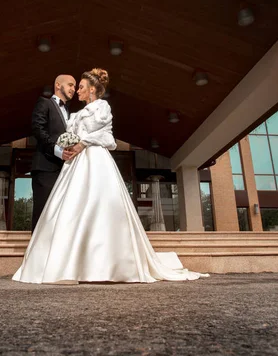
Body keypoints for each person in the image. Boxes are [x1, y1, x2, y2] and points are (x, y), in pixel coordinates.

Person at [13, 68, 208, 284]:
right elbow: (57, 134)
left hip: (96, 160)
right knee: (71, 210)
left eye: (81, 87)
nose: (77, 90)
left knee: (100, 206)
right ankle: (67, 262)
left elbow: (108, 137)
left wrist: (83, 143)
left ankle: (108, 263)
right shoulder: (74, 115)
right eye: (75, 86)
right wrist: (66, 147)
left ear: (93, 89)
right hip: (74, 165)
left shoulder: (103, 107)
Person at [30, 74, 76, 232]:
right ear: (58, 85)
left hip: (63, 171)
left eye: (75, 87)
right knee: (43, 213)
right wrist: (58, 151)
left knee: (60, 215)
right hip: (45, 168)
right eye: (70, 85)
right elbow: (38, 129)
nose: (73, 89)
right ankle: (36, 254)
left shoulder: (69, 112)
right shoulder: (44, 103)